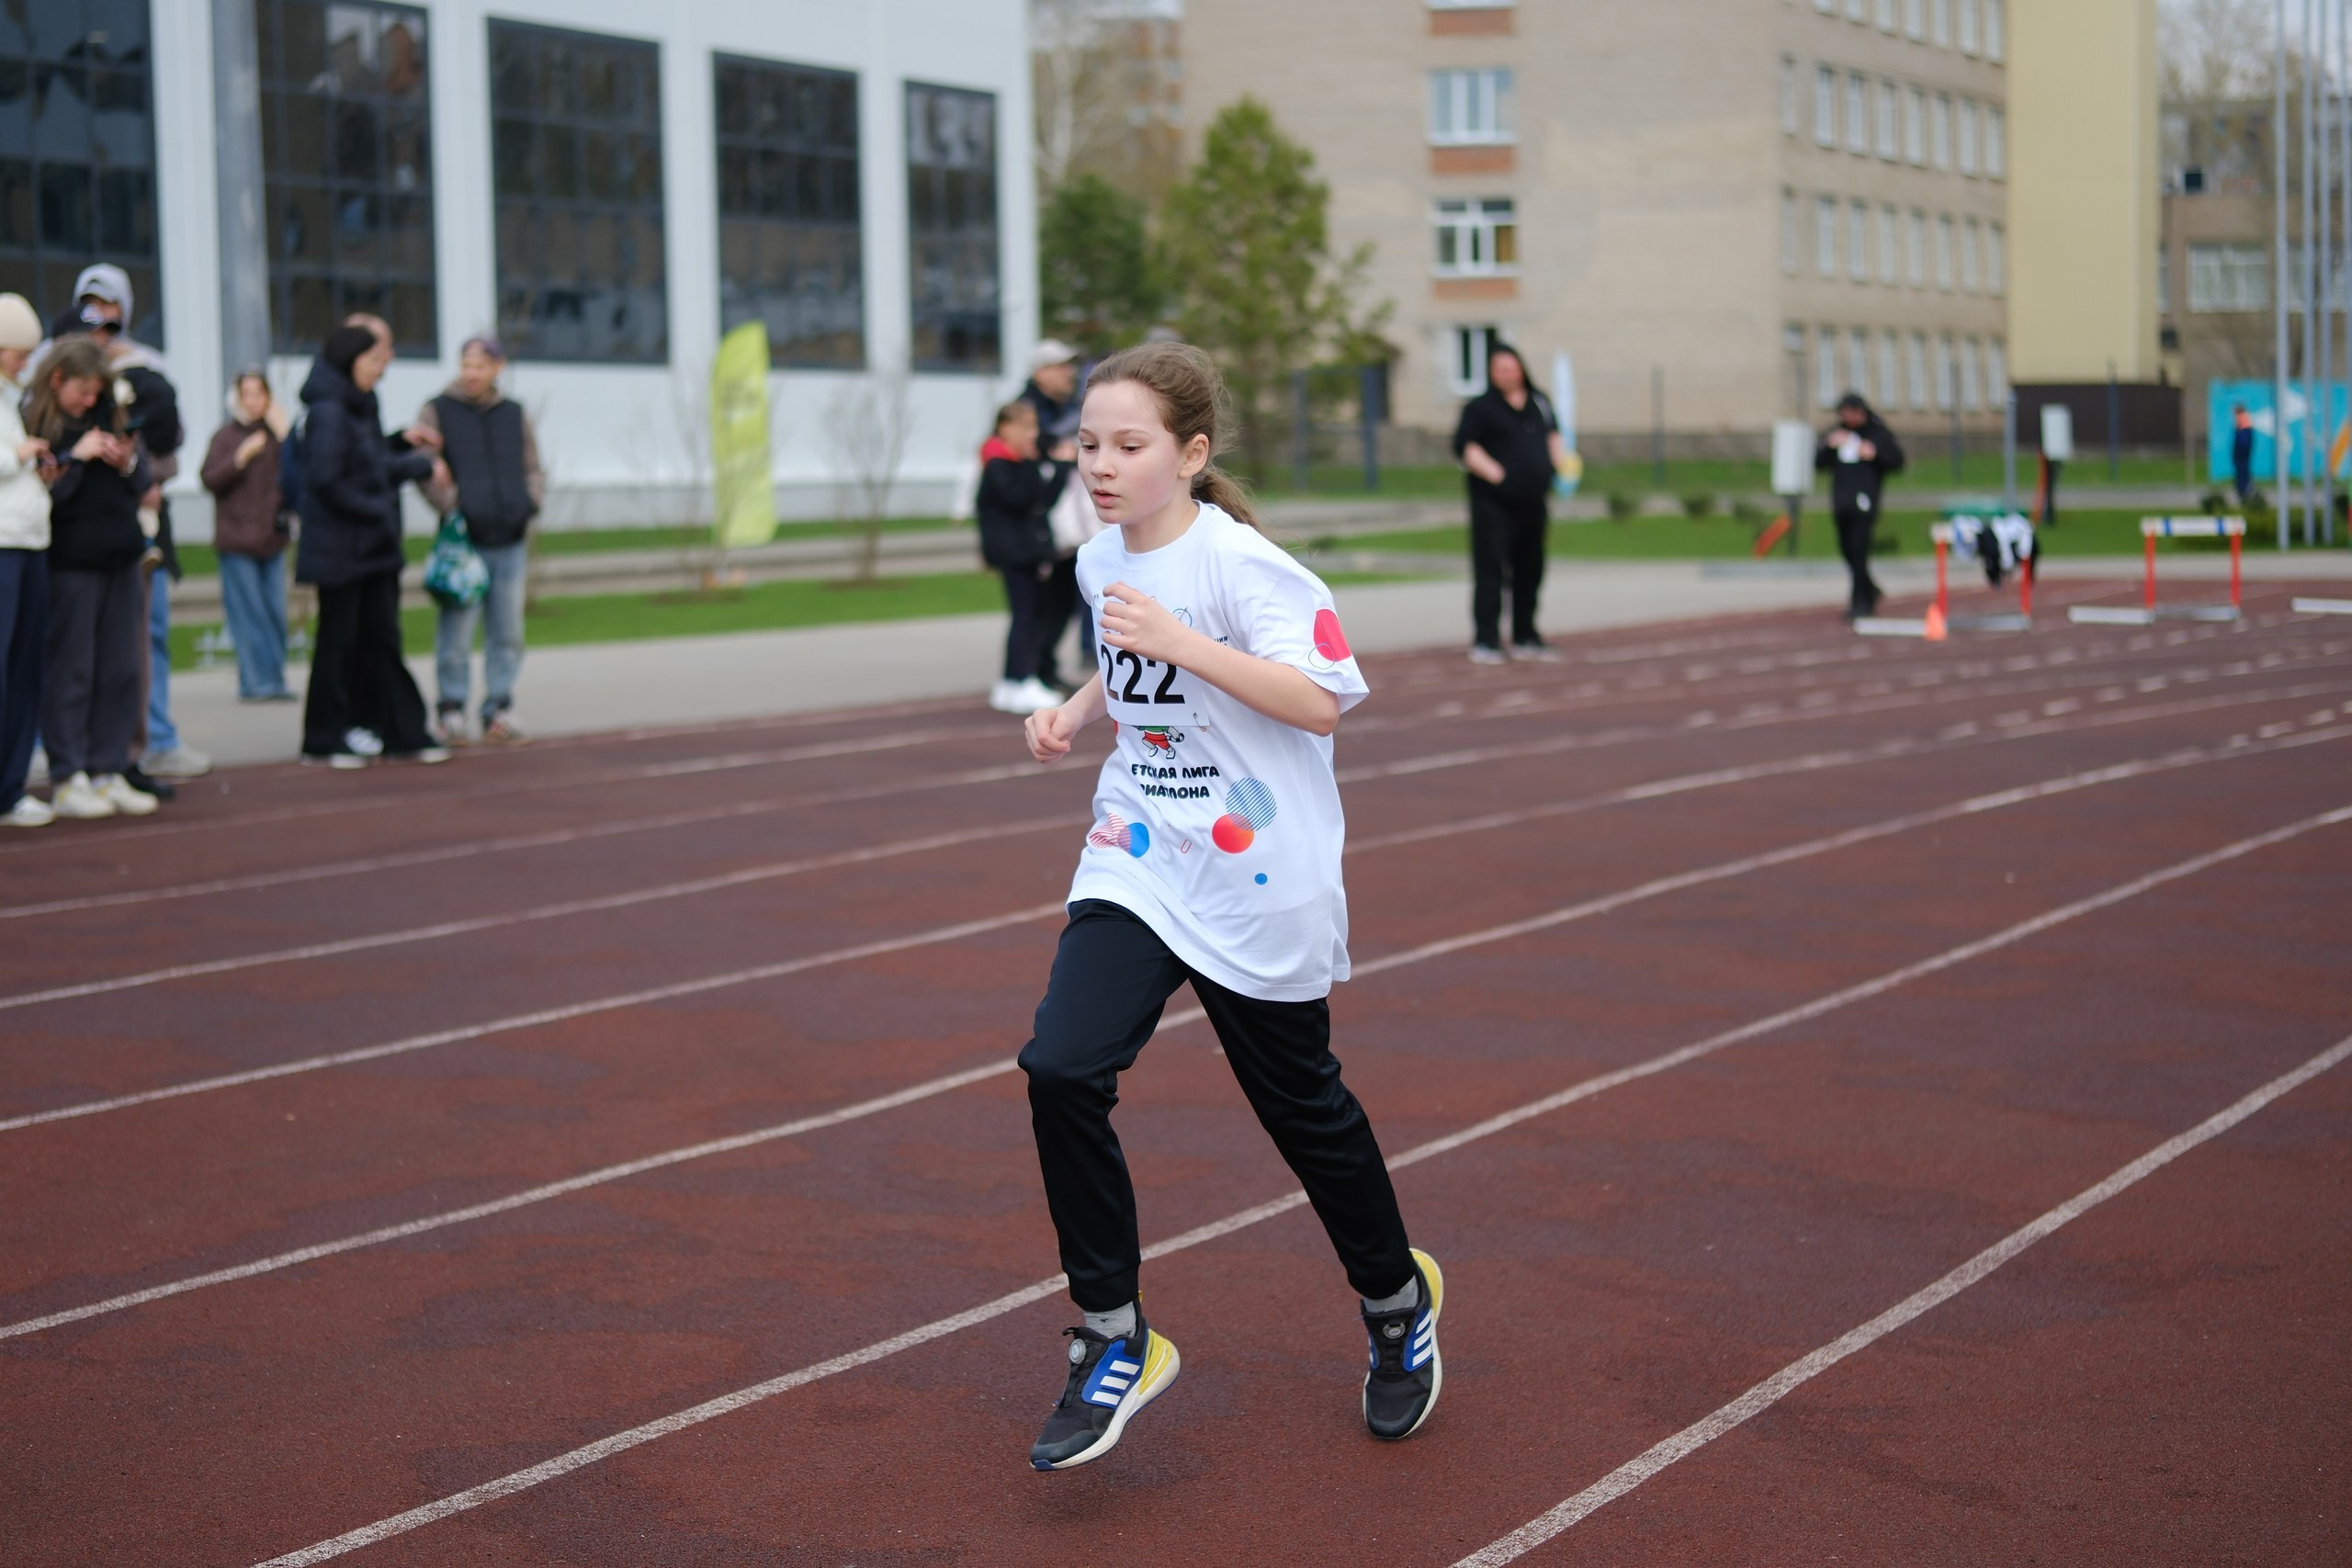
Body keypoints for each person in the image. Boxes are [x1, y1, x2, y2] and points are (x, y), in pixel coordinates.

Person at [1015, 342, 1440, 1472]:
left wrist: (1182, 643)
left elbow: (1320, 701)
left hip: (1258, 874)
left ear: (1190, 454)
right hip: (1141, 852)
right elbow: (1127, 657)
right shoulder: (1100, 559)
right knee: (1060, 1066)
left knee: (1301, 1110)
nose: (1099, 465)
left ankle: (1396, 1301)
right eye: (1087, 444)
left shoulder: (1246, 567)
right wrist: (1075, 709)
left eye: (1128, 445)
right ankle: (1113, 1334)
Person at [59, 268, 207, 787]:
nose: (100, 328)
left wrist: (133, 463)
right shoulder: (55, 377)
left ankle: (149, 741)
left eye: (109, 313)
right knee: (78, 655)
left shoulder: (144, 370)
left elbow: (168, 447)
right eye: (90, 310)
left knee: (145, 641)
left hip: (134, 532)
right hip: (78, 541)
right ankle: (76, 758)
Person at [294, 323, 448, 769]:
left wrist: (403, 447)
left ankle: (396, 730)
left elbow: (368, 460)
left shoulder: (359, 405)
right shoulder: (329, 410)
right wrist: (380, 504)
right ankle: (324, 738)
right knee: (338, 643)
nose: (382, 369)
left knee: (380, 640)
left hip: (370, 547)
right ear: (351, 359)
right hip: (341, 549)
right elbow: (327, 480)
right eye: (375, 360)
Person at [28, 337, 157, 819]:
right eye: (82, 391)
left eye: (95, 391)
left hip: (120, 555)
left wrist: (126, 460)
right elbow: (48, 498)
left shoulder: (111, 413)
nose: (89, 400)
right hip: (71, 563)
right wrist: (77, 457)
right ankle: (68, 774)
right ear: (57, 379)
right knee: (73, 669)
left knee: (121, 669)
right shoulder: (37, 422)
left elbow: (144, 484)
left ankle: (108, 768)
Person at [413, 334, 543, 743]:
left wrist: (530, 502)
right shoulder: (437, 410)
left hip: (510, 538)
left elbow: (532, 465)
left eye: (480, 366)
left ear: (497, 368)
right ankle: (451, 708)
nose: (471, 373)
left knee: (508, 632)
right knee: (456, 632)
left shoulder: (513, 413)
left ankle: (498, 707)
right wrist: (452, 505)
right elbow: (422, 466)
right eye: (466, 364)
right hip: (463, 544)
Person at [1451, 342, 1565, 663]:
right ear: (1491, 373)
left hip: (1534, 500)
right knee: (1491, 570)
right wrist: (1497, 475)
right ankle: (1486, 641)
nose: (1507, 374)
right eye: (1500, 369)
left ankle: (1526, 635)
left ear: (1521, 369)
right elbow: (1465, 447)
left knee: (1530, 569)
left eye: (1511, 368)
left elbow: (1553, 434)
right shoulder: (1480, 408)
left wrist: (1558, 465)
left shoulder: (1539, 401)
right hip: (1494, 504)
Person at [199, 369, 295, 702]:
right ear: (237, 399)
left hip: (272, 539)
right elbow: (209, 479)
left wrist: (284, 436)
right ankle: (256, 683)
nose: (253, 401)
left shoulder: (277, 437)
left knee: (276, 613)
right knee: (248, 613)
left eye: (259, 394)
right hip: (237, 540)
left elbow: (298, 475)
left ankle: (275, 679)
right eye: (247, 394)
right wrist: (239, 458)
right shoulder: (226, 437)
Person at [976, 400, 1074, 714]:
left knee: (1033, 615)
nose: (1033, 434)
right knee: (1025, 618)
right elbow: (1020, 499)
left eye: (1034, 427)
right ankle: (1019, 679)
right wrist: (1034, 463)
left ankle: (1014, 680)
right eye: (1027, 427)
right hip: (1016, 554)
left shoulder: (1017, 463)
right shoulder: (998, 465)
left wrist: (1060, 467)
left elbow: (1044, 499)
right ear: (1006, 428)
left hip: (1028, 552)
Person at [0, 293, 51, 827]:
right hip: (4, 545)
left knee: (23, 668)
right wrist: (18, 455)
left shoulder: (12, 397)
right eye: (18, 353)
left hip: (30, 539)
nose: (25, 362)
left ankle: (10, 787)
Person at [1815, 391, 1906, 620]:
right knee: (1847, 551)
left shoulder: (1877, 434)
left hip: (1865, 502)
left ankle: (1860, 602)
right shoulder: (1838, 434)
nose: (1846, 416)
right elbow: (1819, 464)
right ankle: (1870, 588)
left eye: (1850, 412)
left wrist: (1874, 454)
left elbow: (1897, 461)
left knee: (1858, 552)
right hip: (1842, 502)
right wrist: (1828, 446)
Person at [2231, 403, 2256, 504]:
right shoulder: (2245, 420)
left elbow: (2243, 440)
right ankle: (2245, 490)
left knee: (2242, 471)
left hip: (2242, 446)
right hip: (2243, 446)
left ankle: (2245, 491)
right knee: (2243, 471)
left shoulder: (2242, 419)